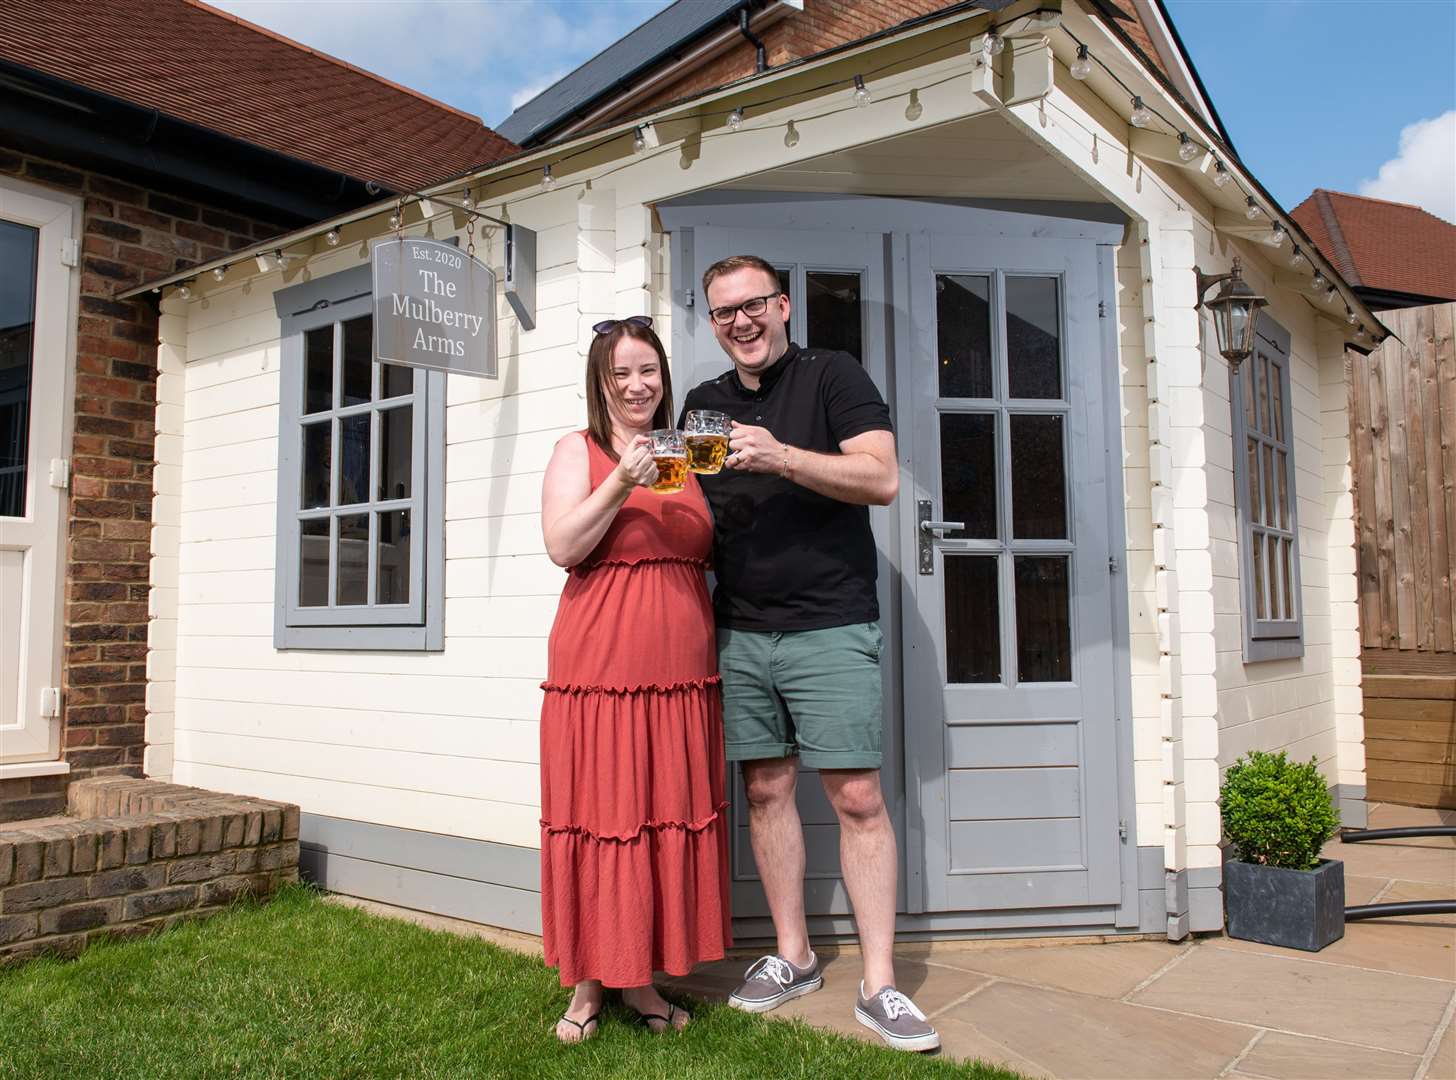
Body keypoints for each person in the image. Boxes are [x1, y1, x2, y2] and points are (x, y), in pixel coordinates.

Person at [681, 256, 939, 1053]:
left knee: (857, 796)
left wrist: (780, 454)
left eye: (753, 305)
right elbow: (693, 509)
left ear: (782, 305)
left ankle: (880, 983)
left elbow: (883, 478)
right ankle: (792, 956)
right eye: (724, 313)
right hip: (741, 626)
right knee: (765, 790)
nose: (741, 323)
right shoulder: (701, 405)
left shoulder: (833, 375)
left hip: (831, 621)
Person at [538, 316, 731, 1044]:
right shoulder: (577, 450)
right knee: (603, 816)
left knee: (656, 816)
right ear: (600, 381)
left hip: (680, 673)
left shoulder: (686, 452)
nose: (636, 384)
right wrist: (621, 478)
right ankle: (589, 985)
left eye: (647, 369)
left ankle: (640, 976)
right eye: (620, 372)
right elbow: (563, 545)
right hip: (603, 669)